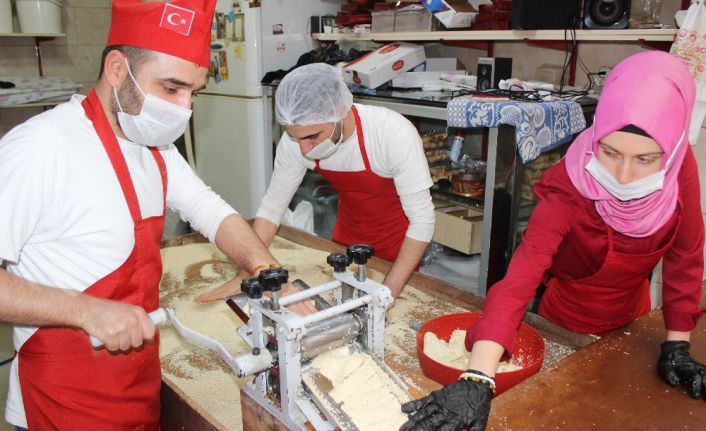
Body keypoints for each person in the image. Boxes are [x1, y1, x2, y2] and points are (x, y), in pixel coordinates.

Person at [0, 0, 305, 429]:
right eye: (170, 88)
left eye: (192, 93)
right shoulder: (41, 148)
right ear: (117, 69)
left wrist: (266, 269)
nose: (184, 109)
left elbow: (211, 211)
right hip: (63, 400)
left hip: (137, 386)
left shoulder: (155, 150)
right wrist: (87, 311)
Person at [401, 51, 706, 430]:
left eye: (645, 159)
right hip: (565, 319)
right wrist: (478, 376)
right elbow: (520, 279)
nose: (624, 175)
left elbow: (686, 254)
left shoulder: (680, 168)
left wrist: (677, 343)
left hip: (633, 320)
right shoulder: (569, 187)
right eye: (609, 153)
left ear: (673, 150)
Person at [197, 63, 435, 302]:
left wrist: (386, 294)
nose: (304, 149)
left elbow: (422, 222)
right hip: (344, 246)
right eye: (294, 137)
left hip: (397, 253)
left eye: (313, 136)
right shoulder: (296, 143)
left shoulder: (391, 134)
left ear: (340, 110)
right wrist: (247, 272)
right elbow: (272, 209)